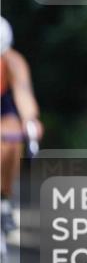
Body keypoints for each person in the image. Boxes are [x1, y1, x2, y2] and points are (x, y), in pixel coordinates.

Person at [0, 16, 44, 235]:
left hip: (4, 108)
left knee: (11, 137)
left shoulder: (14, 62)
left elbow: (23, 92)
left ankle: (4, 199)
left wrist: (30, 120)